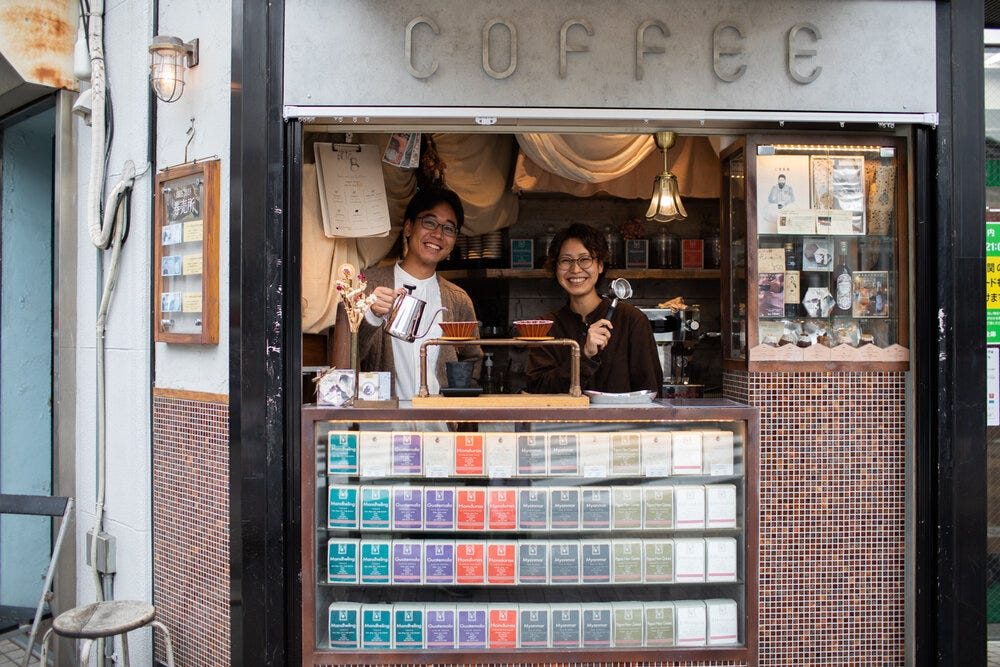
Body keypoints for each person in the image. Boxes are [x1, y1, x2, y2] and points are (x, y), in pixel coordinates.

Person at [360, 187, 481, 399]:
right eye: (429, 222)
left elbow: (473, 360)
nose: (438, 234)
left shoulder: (458, 299)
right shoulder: (368, 284)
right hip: (382, 425)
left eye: (449, 228)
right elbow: (345, 358)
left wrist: (456, 413)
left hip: (437, 426)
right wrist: (371, 316)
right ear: (408, 228)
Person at [525, 223, 662, 395]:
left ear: (600, 265)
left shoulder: (632, 320)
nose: (575, 269)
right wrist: (584, 355)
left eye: (585, 259)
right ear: (556, 268)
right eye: (566, 260)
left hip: (621, 422)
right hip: (561, 422)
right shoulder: (545, 327)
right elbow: (536, 391)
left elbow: (650, 392)